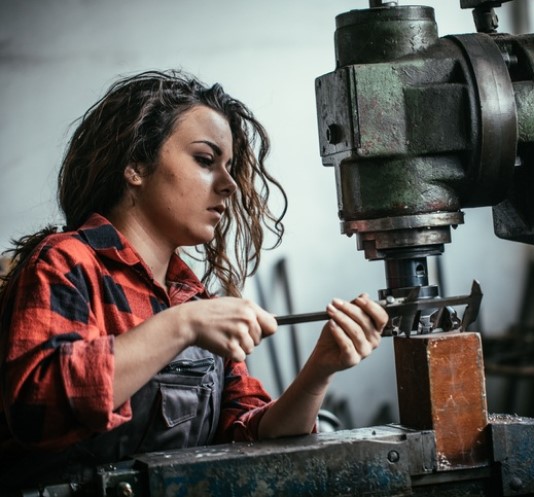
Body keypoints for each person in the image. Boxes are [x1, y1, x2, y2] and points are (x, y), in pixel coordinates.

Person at [0, 70, 388, 492]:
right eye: (205, 161)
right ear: (135, 165)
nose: (228, 186)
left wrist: (320, 369)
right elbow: (37, 406)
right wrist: (181, 326)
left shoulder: (192, 297)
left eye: (230, 167)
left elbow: (251, 436)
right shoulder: (66, 264)